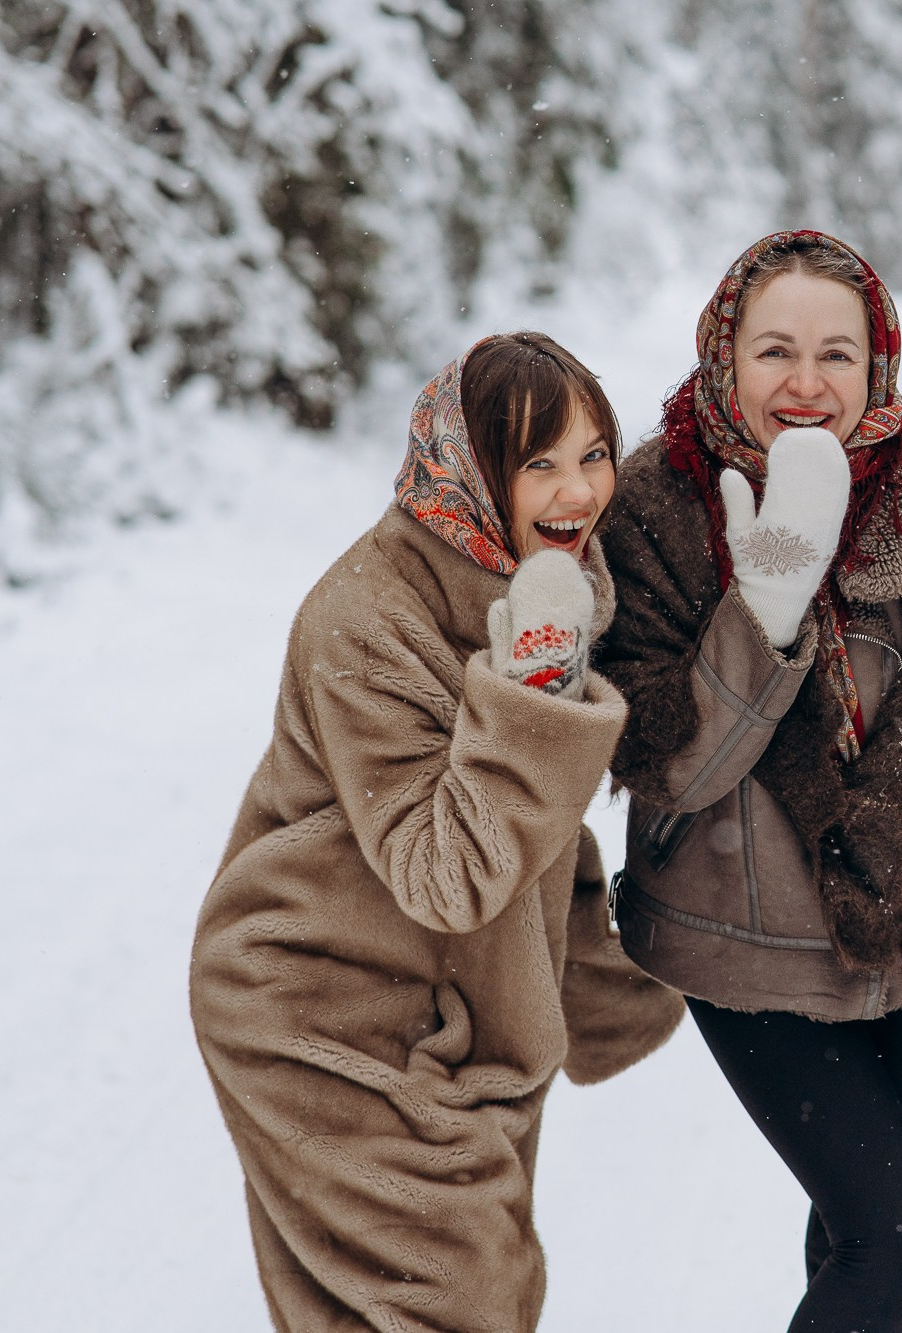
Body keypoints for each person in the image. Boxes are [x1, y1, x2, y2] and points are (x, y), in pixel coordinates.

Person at [592, 230, 902, 1333]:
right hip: (746, 950)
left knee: (851, 1245)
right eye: (773, 352)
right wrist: (766, 595)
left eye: (835, 356)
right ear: (723, 358)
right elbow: (675, 761)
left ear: (877, 369)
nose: (804, 384)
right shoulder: (651, 516)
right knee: (900, 1238)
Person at [190, 332, 685, 1331]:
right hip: (319, 1013)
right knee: (459, 1298)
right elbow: (441, 871)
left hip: (458, 1015)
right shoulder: (367, 615)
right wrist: (532, 694)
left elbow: (526, 822)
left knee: (477, 1293)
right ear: (466, 469)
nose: (576, 491)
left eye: (592, 454)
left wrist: (599, 965)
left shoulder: (552, 583)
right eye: (535, 461)